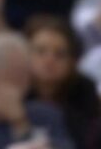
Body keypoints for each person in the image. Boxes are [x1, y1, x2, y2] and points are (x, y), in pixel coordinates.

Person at [26, 16, 101, 149]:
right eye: (40, 51)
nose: (49, 60)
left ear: (73, 61)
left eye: (60, 54)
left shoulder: (86, 96)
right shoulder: (15, 93)